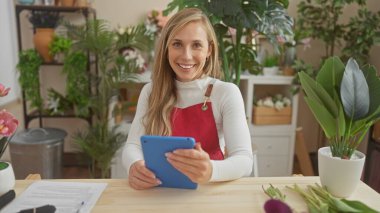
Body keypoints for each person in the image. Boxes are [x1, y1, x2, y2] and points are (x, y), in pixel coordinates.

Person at [122, 8, 253, 190]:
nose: (186, 55)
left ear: (209, 50)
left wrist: (211, 171)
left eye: (196, 45)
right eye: (177, 44)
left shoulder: (226, 93)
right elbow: (132, 146)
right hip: (161, 191)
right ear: (166, 47)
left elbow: (245, 160)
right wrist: (134, 165)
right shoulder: (151, 92)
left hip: (210, 193)